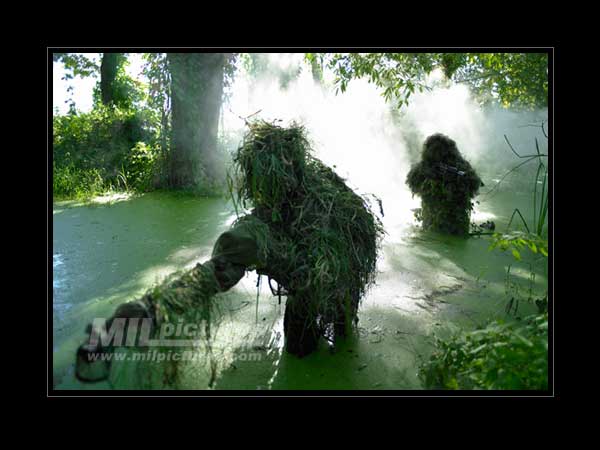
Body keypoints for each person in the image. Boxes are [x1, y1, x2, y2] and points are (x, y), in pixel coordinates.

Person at [406, 133, 483, 235]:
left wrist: (451, 180)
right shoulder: (424, 168)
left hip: (453, 222)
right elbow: (412, 183)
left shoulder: (459, 168)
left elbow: (473, 185)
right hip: (436, 222)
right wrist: (432, 175)